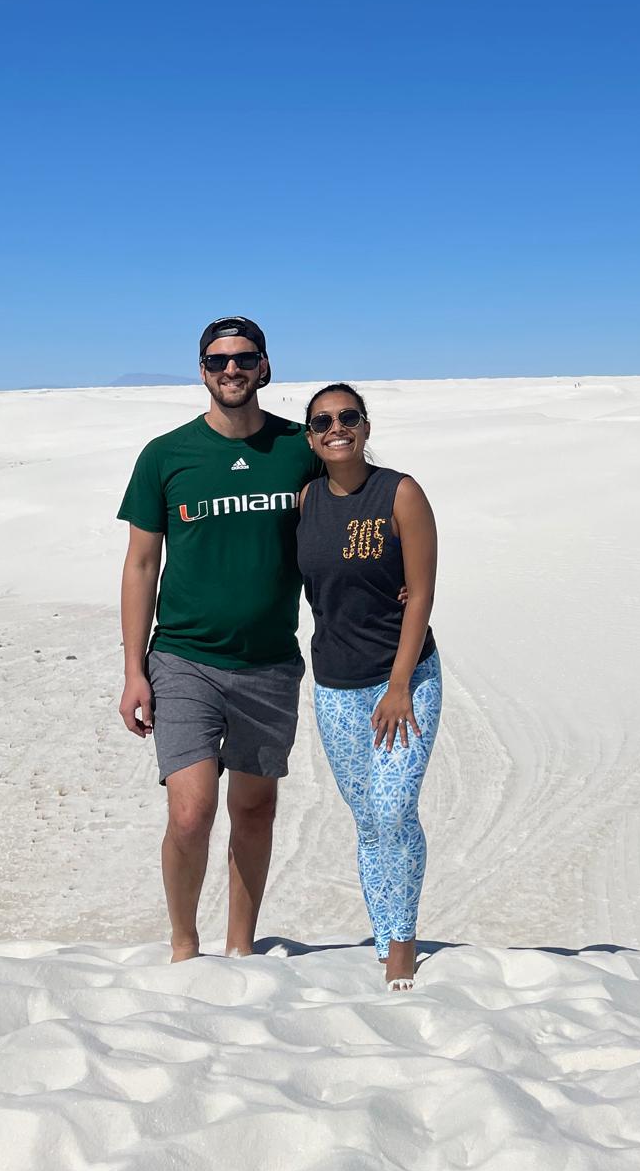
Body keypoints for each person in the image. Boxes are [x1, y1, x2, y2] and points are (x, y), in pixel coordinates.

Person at [116, 315, 320, 962]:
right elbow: (142, 563)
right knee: (191, 813)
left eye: (243, 358)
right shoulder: (166, 455)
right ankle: (183, 943)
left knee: (254, 810)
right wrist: (133, 669)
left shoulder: (301, 448)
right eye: (216, 361)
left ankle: (241, 947)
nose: (230, 369)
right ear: (201, 370)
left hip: (269, 663)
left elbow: (353, 519)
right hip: (184, 659)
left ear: (265, 367)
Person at [297, 383, 441, 992]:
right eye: (324, 421)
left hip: (401, 680)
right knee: (367, 818)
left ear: (365, 426)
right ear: (311, 436)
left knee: (392, 807)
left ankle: (403, 940)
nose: (337, 427)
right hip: (334, 684)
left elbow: (422, 593)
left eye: (348, 417)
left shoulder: (400, 492)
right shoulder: (304, 500)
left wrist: (401, 682)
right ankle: (381, 935)